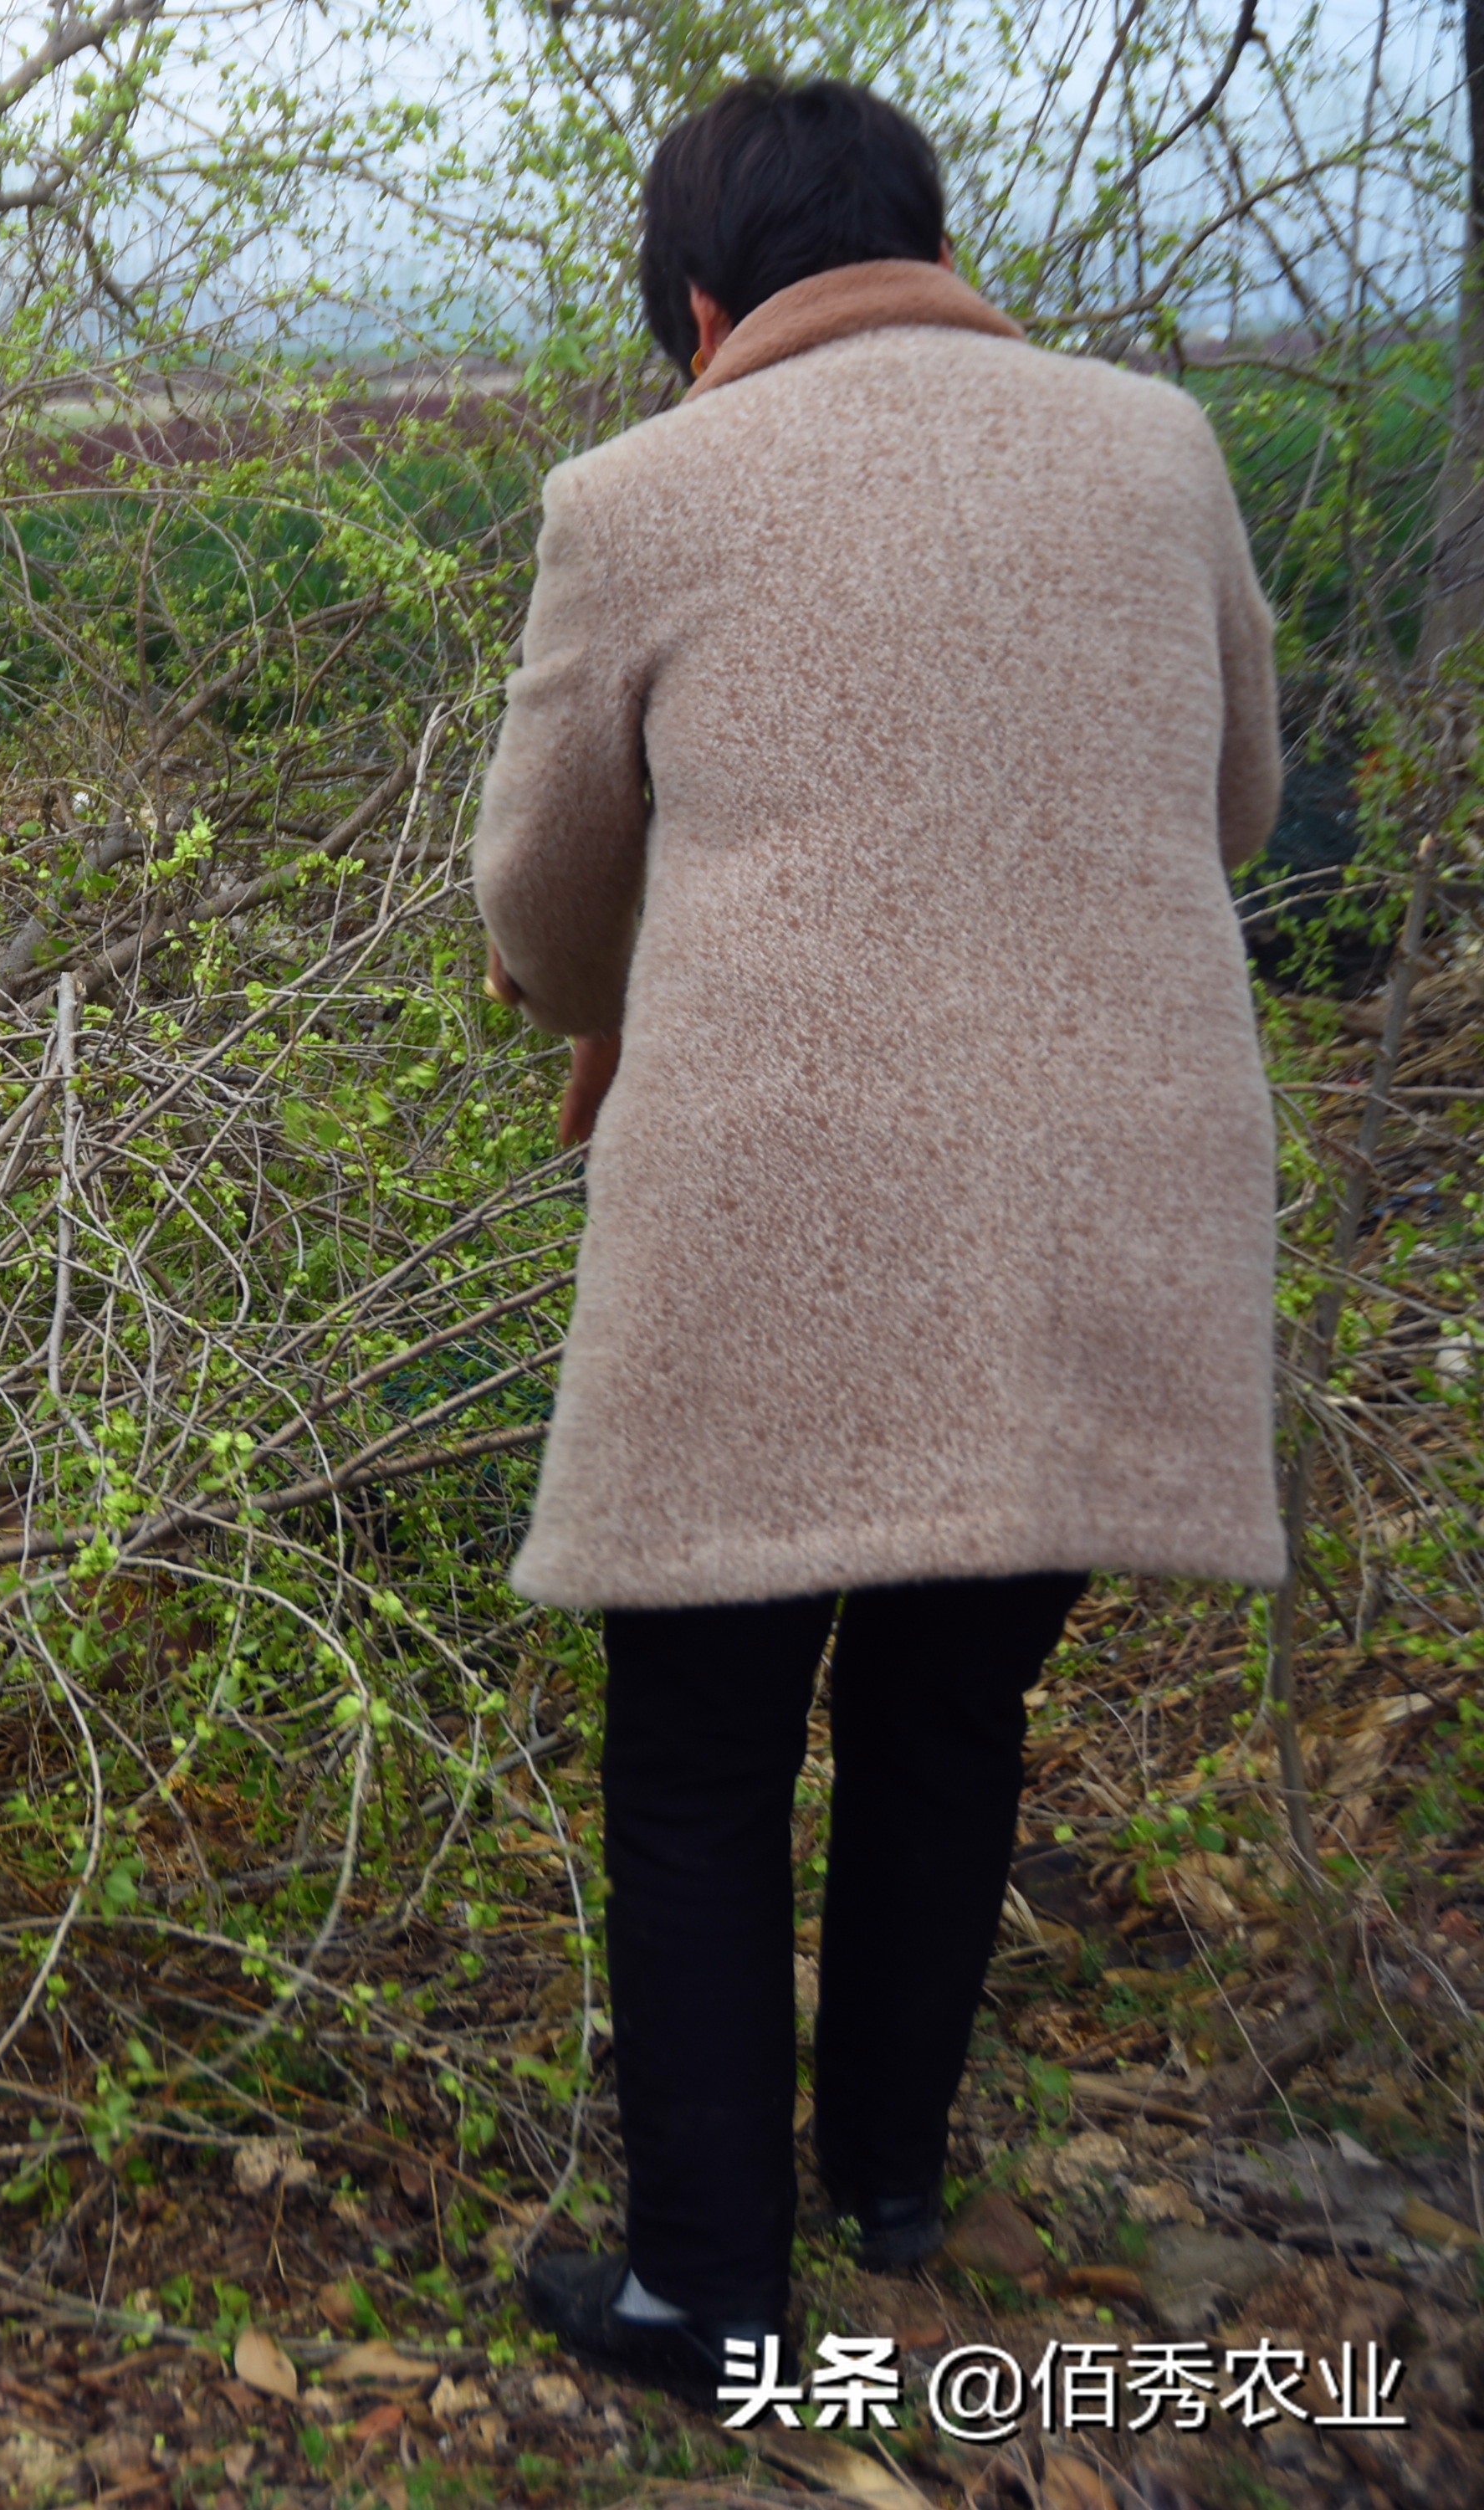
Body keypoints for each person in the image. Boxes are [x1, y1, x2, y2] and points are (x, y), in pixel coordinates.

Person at [473, 77, 1282, 2400]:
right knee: (955, 1702)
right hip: (1111, 1188)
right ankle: (893, 2186)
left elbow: (538, 902)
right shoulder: (1158, 448)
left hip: (774, 1193)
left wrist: (607, 994)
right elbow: (1232, 802)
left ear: (703, 304)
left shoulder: (641, 495)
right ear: (922, 235)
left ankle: (701, 2293)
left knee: (705, 1748)